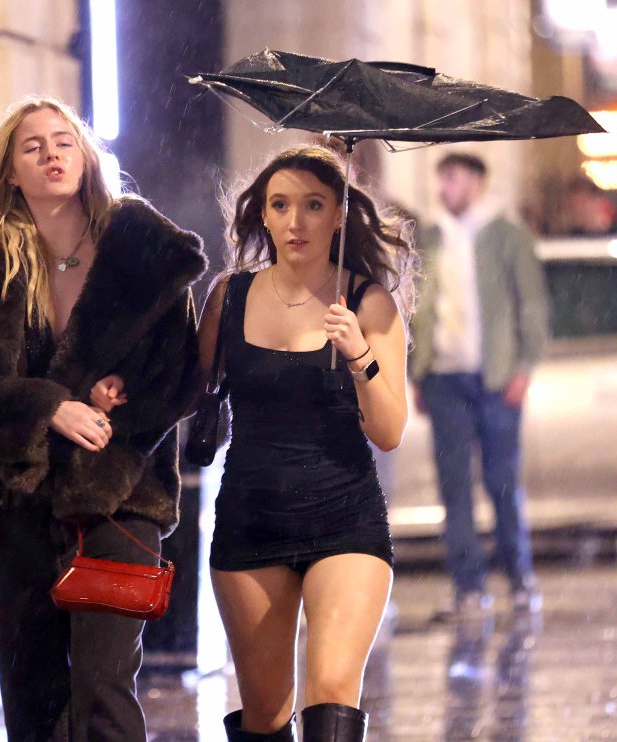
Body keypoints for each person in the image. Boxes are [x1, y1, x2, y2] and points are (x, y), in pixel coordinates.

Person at [0, 97, 206, 741]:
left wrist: (122, 398)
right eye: (32, 147)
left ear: (86, 158)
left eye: (63, 141)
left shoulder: (141, 252)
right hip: (11, 506)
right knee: (33, 699)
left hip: (118, 496)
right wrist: (46, 405)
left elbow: (182, 373)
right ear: (10, 173)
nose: (51, 154)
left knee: (104, 689)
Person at [198, 145, 416, 742]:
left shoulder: (369, 302)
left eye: (314, 205)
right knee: (266, 714)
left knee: (332, 693)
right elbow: (186, 393)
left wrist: (359, 354)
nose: (296, 222)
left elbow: (390, 431)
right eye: (281, 205)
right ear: (263, 215)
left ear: (339, 215)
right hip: (251, 519)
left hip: (346, 517)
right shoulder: (229, 296)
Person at [410, 152, 549, 619]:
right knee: (454, 487)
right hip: (444, 379)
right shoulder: (429, 238)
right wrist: (419, 372)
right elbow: (418, 310)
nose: (444, 188)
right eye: (441, 179)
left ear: (476, 182)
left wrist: (524, 367)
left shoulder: (507, 235)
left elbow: (531, 305)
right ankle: (468, 587)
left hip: (495, 379)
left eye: (452, 179)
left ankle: (519, 578)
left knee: (502, 482)